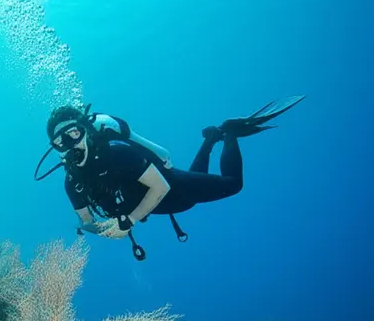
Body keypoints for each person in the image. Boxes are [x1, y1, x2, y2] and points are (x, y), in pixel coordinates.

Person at [34, 96, 305, 259]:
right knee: (194, 189)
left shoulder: (115, 154)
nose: (70, 144)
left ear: (85, 131)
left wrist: (127, 222)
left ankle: (230, 131)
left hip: (170, 188)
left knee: (233, 185)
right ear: (55, 148)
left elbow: (160, 186)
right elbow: (86, 221)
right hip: (166, 204)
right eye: (60, 141)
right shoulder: (73, 182)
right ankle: (211, 138)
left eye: (73, 134)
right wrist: (103, 231)